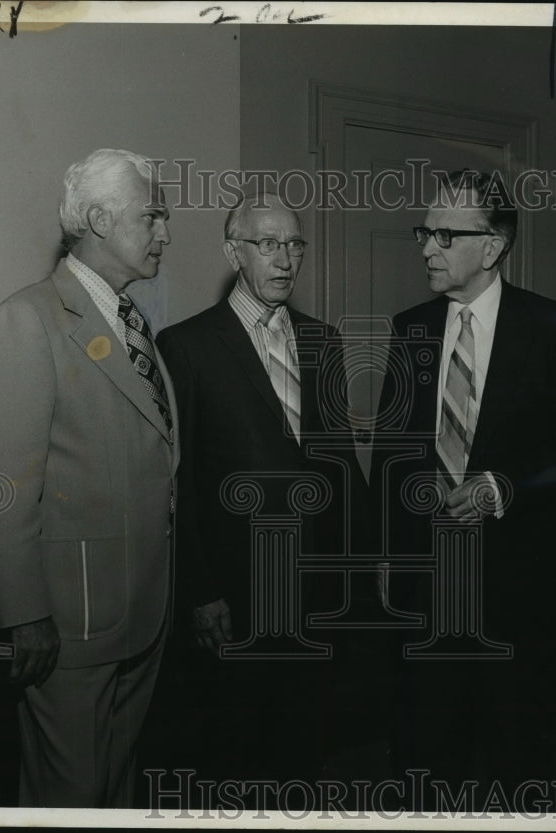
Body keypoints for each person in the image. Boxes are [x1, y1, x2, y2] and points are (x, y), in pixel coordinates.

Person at [373, 169, 556, 808]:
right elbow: (393, 452)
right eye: (425, 232)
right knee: (424, 757)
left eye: (445, 234)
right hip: (425, 584)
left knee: (515, 757)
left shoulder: (555, 327)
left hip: (519, 585)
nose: (426, 247)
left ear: (493, 246)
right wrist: (389, 550)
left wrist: (503, 487)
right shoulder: (410, 327)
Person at [0, 148, 177, 807]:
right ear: (98, 219)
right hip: (70, 628)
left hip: (140, 614)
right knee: (69, 797)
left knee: (114, 790)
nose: (165, 231)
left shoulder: (131, 321)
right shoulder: (24, 321)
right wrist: (24, 614)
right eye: (153, 215)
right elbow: (1, 487)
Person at [155, 191, 368, 798]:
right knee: (236, 756)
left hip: (317, 592)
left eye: (294, 244)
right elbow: (181, 483)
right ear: (234, 251)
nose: (285, 259)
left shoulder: (322, 339)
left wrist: (361, 561)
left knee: (304, 749)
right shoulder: (188, 345)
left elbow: (341, 466)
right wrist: (201, 592)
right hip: (235, 595)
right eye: (267, 244)